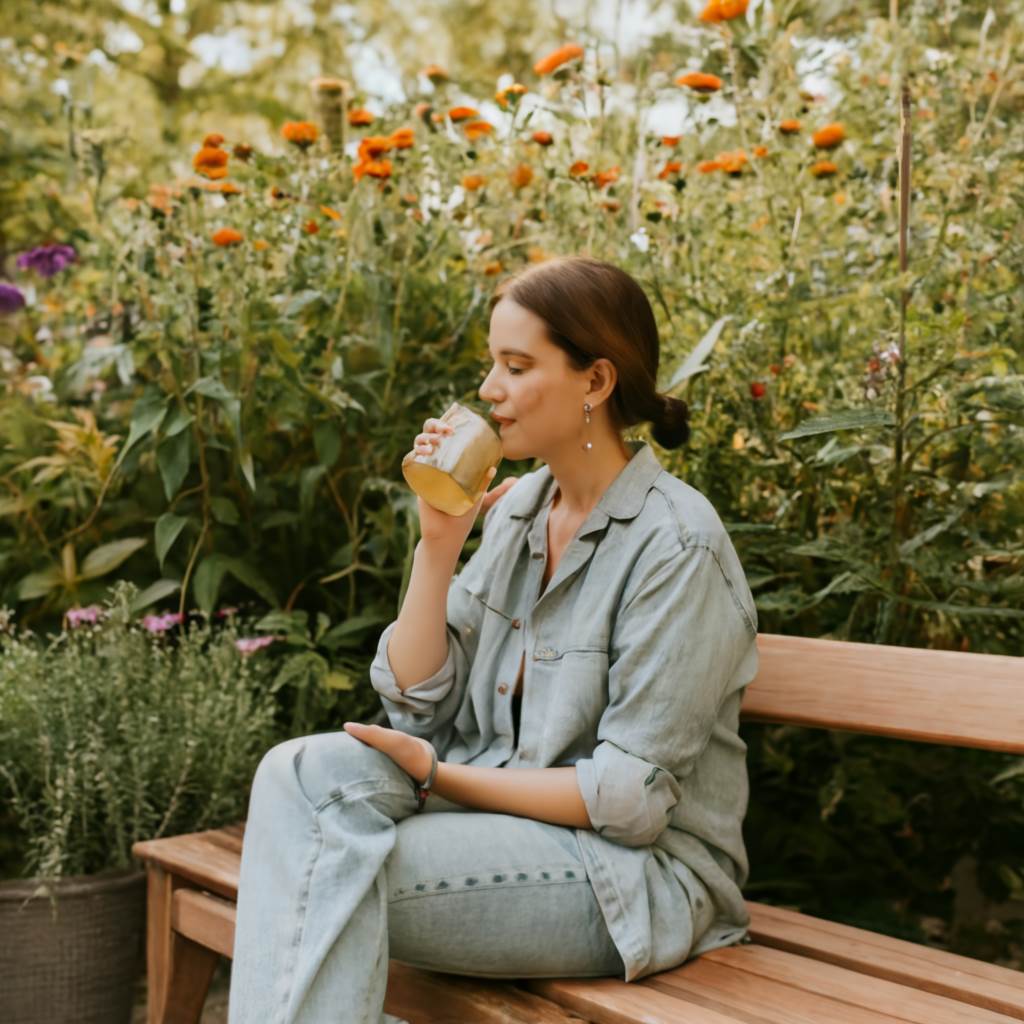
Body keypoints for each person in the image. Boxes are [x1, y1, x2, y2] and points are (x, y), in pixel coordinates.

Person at [227, 255, 759, 1024]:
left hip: (632, 876)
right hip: (502, 831)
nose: (488, 389)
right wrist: (437, 544)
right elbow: (415, 702)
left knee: (322, 865)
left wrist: (443, 776)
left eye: (516, 366)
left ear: (596, 382)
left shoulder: (677, 546)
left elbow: (627, 804)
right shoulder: (519, 511)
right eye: (491, 364)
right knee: (299, 776)